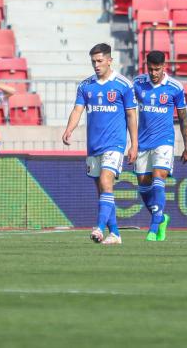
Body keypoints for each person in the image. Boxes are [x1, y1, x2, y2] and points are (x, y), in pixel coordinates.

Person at [62, 43, 138, 245]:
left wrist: (134, 144)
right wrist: (69, 128)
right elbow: (78, 110)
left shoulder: (124, 85)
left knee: (106, 182)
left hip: (115, 144)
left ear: (109, 60)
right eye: (93, 61)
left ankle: (99, 228)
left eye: (100, 61)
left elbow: (131, 115)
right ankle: (115, 235)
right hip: (93, 146)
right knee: (103, 191)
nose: (96, 65)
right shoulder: (86, 86)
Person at [133, 51, 187, 242]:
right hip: (142, 143)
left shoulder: (175, 87)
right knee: (143, 186)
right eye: (150, 69)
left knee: (159, 178)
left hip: (164, 141)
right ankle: (161, 217)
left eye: (157, 69)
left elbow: (183, 118)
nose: (154, 73)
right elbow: (128, 111)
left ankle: (154, 227)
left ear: (164, 67)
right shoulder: (138, 84)